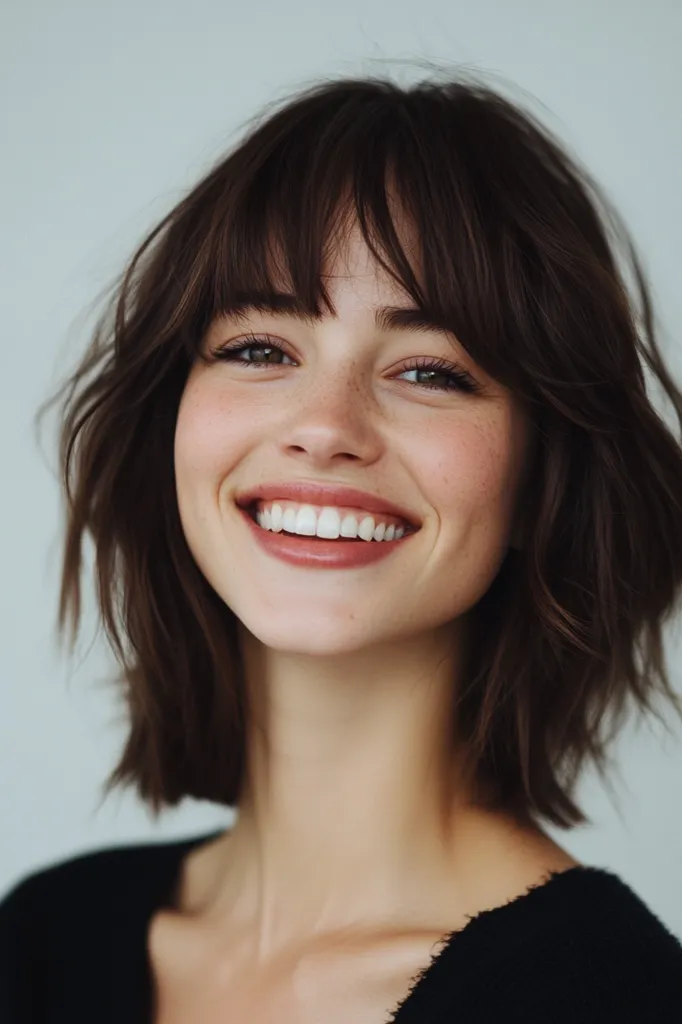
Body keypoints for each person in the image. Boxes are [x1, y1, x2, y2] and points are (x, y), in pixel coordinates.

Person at [2, 68, 682, 1024]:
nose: (325, 426)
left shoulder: (608, 996)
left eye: (430, 369)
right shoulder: (43, 941)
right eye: (259, 349)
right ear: (172, 428)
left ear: (543, 481)